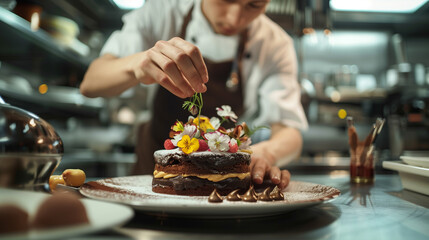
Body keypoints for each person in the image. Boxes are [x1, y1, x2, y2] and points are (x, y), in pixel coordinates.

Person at [80, 0, 308, 190]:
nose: (234, 19)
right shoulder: (163, 10)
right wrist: (137, 65)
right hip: (150, 177)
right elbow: (90, 83)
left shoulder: (275, 44)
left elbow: (289, 132)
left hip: (222, 185)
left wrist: (266, 152)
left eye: (254, 5)